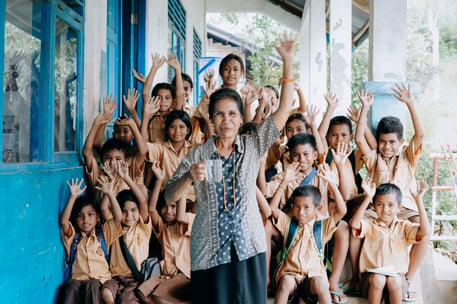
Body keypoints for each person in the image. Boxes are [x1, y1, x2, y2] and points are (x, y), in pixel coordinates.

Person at [164, 34, 297, 304]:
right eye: (220, 114)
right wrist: (189, 177)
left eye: (232, 114)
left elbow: (283, 109)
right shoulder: (198, 154)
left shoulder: (253, 145)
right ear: (211, 119)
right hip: (209, 250)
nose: (226, 120)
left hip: (248, 245)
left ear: (240, 118)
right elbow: (169, 196)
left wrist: (288, 61)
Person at [355, 83, 428, 301]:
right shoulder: (374, 159)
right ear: (378, 142)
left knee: (425, 234)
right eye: (383, 142)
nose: (387, 146)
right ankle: (360, 278)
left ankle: (407, 279)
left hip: (404, 210)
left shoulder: (408, 158)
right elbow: (359, 139)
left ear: (401, 142)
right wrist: (364, 109)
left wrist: (410, 102)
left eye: (392, 142)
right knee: (352, 228)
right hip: (377, 211)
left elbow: (421, 133)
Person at [269, 164, 347, 304]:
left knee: (322, 284)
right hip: (290, 276)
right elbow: (272, 209)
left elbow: (342, 211)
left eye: (306, 207)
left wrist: (332, 184)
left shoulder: (322, 227)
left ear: (318, 209)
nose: (301, 212)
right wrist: (284, 183)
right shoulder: (288, 223)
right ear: (292, 207)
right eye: (297, 207)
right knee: (285, 283)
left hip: (312, 279)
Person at [349, 180, 430, 304]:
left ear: (399, 208)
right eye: (380, 204)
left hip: (397, 280)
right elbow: (354, 224)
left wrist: (418, 200)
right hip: (371, 280)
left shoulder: (404, 226)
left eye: (391, 205)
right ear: (374, 206)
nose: (385, 209)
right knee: (378, 279)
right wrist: (368, 197)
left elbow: (425, 231)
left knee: (394, 280)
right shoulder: (370, 224)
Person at [135, 163, 194, 304]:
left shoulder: (186, 222)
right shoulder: (162, 227)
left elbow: (180, 216)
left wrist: (183, 186)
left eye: (173, 207)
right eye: (164, 207)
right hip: (166, 275)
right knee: (142, 293)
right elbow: (151, 209)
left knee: (158, 298)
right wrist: (159, 181)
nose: (168, 211)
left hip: (183, 274)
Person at [59, 178, 121, 304]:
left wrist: (109, 193)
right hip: (78, 280)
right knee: (70, 288)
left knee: (92, 285)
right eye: (80, 216)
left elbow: (118, 217)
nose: (85, 219)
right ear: (75, 219)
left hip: (100, 280)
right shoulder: (74, 237)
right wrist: (73, 196)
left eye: (90, 214)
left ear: (98, 217)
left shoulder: (103, 234)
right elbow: (64, 222)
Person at [98, 160, 150, 304]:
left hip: (136, 279)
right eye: (123, 211)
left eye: (133, 211)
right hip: (115, 278)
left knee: (127, 300)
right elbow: (104, 209)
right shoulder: (115, 227)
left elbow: (143, 202)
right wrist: (111, 183)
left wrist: (126, 177)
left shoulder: (143, 227)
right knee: (106, 293)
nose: (129, 216)